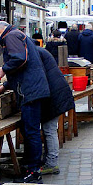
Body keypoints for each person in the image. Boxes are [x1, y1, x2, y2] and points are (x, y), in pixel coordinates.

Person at [0, 21, 50, 184]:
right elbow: (22, 66)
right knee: (27, 127)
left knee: (31, 130)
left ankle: (34, 171)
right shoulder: (17, 35)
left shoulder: (11, 36)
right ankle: (30, 165)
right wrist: (6, 85)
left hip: (30, 90)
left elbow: (19, 58)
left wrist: (3, 69)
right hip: (32, 88)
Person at [36, 46, 75, 176]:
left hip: (54, 95)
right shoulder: (39, 51)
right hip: (56, 93)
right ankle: (49, 160)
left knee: (49, 129)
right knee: (49, 129)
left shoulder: (35, 54)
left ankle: (51, 163)